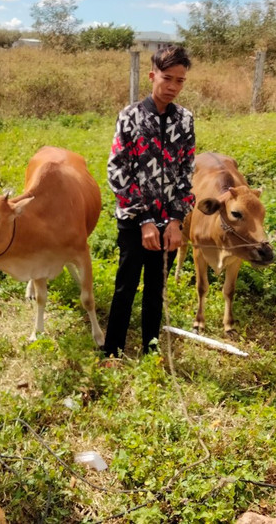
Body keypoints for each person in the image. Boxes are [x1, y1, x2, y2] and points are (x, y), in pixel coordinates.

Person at [102, 45, 196, 359]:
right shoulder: (129, 117)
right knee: (125, 286)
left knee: (157, 289)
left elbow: (186, 172)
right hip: (134, 219)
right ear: (152, 75)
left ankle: (151, 352)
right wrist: (143, 220)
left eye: (180, 81)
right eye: (167, 78)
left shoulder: (185, 120)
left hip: (168, 222)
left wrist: (175, 220)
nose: (172, 86)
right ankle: (112, 351)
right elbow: (117, 169)